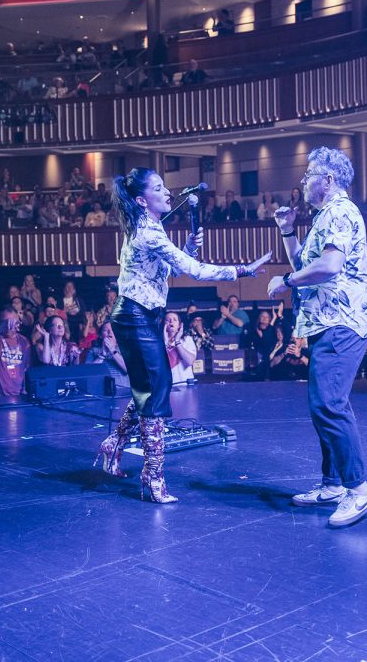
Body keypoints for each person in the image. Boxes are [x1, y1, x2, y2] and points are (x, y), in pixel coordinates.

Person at [99, 167, 270, 504]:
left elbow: (171, 268)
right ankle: (152, 477)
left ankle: (114, 444)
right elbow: (194, 271)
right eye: (158, 188)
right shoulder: (148, 232)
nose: (167, 192)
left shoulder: (151, 227)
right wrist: (242, 270)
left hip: (143, 314)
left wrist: (188, 247)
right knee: (156, 390)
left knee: (151, 388)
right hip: (134, 315)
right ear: (141, 200)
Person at [267, 146, 367, 528]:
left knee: (329, 404)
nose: (302, 181)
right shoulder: (325, 216)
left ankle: (359, 488)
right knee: (323, 405)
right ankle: (333, 484)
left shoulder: (341, 211)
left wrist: (286, 281)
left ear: (328, 179)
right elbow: (305, 264)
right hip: (325, 323)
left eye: (308, 175)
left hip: (341, 323)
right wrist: (287, 230)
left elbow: (328, 267)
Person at [0, 308, 31, 401]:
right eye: (6, 322)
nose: (10, 325)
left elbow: (26, 368)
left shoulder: (24, 341)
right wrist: (4, 324)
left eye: (14, 322)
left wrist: (24, 391)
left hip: (18, 395)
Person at [83, 321, 130, 394]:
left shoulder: (125, 349)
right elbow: (87, 372)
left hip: (123, 391)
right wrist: (102, 355)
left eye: (113, 330)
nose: (109, 332)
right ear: (100, 335)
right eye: (105, 330)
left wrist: (113, 350)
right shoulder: (93, 351)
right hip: (100, 391)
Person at [240, 309, 278, 380]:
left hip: (269, 358)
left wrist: (274, 319)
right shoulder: (254, 330)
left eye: (266, 317)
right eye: (262, 316)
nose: (264, 319)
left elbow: (268, 342)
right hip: (255, 357)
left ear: (269, 320)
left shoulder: (273, 330)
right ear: (259, 318)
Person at [163, 312, 197, 385]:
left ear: (179, 325)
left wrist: (177, 341)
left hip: (184, 384)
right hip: (166, 385)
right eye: (168, 320)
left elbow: (190, 361)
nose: (171, 322)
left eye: (175, 320)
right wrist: (165, 342)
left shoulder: (187, 340)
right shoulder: (158, 342)